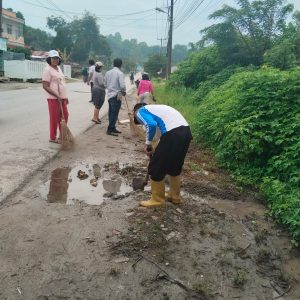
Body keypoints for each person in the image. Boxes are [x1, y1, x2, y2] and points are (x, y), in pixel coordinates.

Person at [133, 103, 193, 208]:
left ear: (135, 113)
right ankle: (174, 197)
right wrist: (153, 148)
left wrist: (147, 144)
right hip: (185, 132)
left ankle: (157, 200)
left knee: (155, 168)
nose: (140, 122)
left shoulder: (140, 112)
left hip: (173, 134)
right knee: (174, 167)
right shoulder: (158, 111)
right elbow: (161, 138)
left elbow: (150, 125)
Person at [42, 49, 69, 144]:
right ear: (49, 59)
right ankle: (52, 137)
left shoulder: (58, 68)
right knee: (54, 118)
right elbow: (45, 86)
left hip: (62, 98)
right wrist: (56, 95)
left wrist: (65, 97)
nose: (55, 60)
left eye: (57, 58)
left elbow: (62, 83)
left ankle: (62, 135)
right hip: (53, 98)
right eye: (53, 58)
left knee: (65, 115)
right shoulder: (47, 70)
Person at [104, 58, 126, 136]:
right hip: (116, 95)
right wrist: (124, 91)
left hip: (110, 95)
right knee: (114, 113)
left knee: (111, 112)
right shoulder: (120, 73)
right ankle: (110, 129)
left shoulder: (107, 72)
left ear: (113, 64)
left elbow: (105, 84)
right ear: (121, 65)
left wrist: (110, 88)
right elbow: (122, 86)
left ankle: (113, 128)